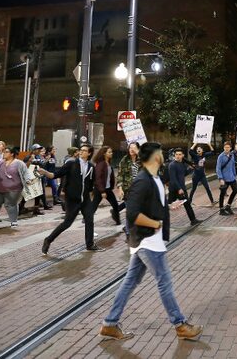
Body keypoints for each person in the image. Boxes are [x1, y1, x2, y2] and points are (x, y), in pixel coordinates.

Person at [99, 142, 203, 341]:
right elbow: (132, 214)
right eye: (161, 153)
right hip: (147, 240)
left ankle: (110, 324)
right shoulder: (142, 180)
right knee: (164, 281)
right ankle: (179, 324)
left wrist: (168, 207)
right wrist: (155, 222)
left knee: (130, 281)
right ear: (155, 157)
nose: (163, 156)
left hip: (148, 239)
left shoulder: (155, 178)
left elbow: (152, 204)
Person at [38, 144, 103, 254]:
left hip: (85, 199)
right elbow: (56, 175)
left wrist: (91, 197)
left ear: (89, 153)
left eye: (84, 151)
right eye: (80, 150)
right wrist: (45, 172)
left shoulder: (91, 167)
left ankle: (90, 244)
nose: (81, 152)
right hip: (72, 199)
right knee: (67, 223)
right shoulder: (71, 163)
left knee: (89, 220)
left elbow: (91, 184)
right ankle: (48, 240)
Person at [0, 146, 32, 228]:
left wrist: (28, 180)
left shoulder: (19, 163)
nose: (4, 153)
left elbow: (25, 173)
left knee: (10, 204)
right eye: (4, 152)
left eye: (6, 152)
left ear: (12, 154)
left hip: (13, 189)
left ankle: (13, 220)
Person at [167, 148, 201, 225]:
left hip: (181, 188)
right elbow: (173, 178)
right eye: (176, 154)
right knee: (168, 206)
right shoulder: (172, 165)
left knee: (187, 204)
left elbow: (183, 174)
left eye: (179, 154)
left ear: (183, 155)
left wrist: (190, 169)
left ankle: (193, 220)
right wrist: (179, 188)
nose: (178, 156)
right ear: (174, 155)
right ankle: (159, 221)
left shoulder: (182, 164)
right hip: (174, 189)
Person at [92, 146, 121, 225]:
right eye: (109, 152)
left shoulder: (108, 163)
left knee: (115, 205)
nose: (111, 153)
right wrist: (102, 191)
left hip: (107, 189)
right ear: (104, 153)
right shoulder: (101, 164)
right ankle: (87, 218)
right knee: (94, 205)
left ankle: (118, 221)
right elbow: (98, 178)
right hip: (100, 189)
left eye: (111, 152)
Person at [215, 141, 237, 216]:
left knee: (235, 190)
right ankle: (221, 209)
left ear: (230, 148)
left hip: (231, 177)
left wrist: (234, 174)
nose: (226, 149)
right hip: (224, 178)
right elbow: (218, 168)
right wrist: (220, 178)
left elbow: (232, 165)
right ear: (223, 148)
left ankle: (228, 206)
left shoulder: (232, 155)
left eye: (228, 147)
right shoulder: (221, 156)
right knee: (222, 194)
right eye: (225, 147)